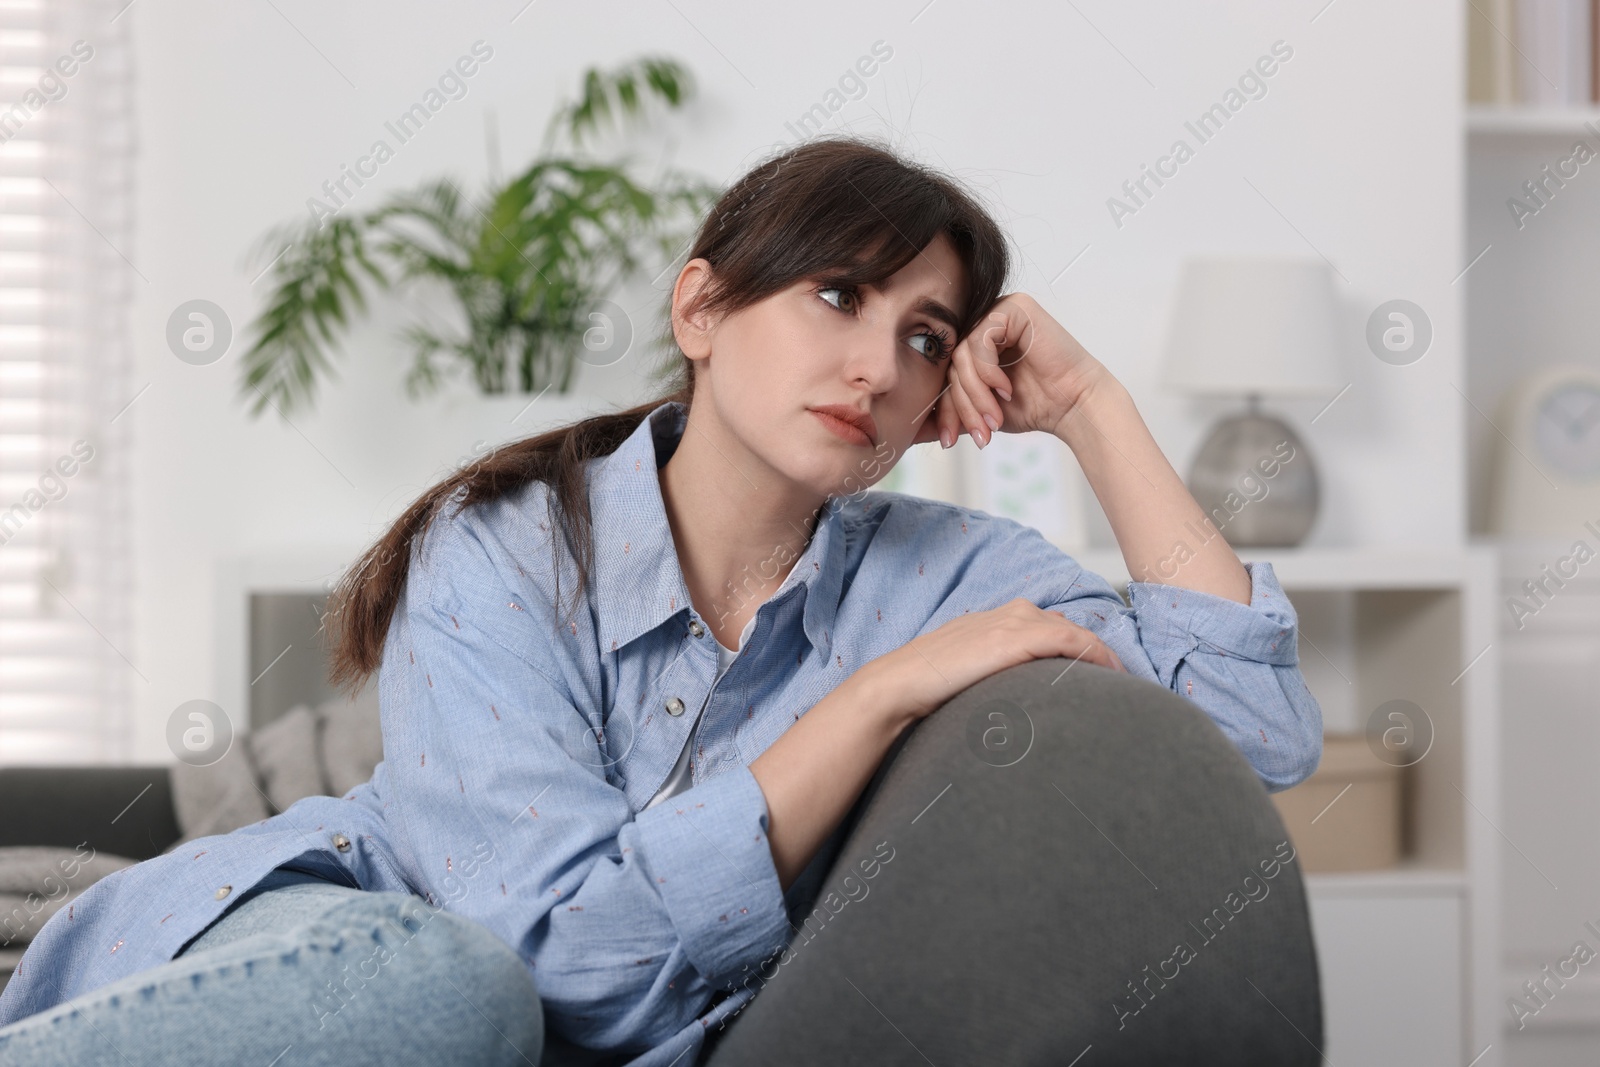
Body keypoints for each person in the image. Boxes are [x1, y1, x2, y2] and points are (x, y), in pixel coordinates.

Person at [0, 135, 1322, 1066]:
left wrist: (1094, 411)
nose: (876, 360)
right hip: (348, 936)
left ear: (940, 404)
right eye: (837, 294)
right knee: (448, 992)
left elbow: (1250, 735)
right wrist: (872, 700)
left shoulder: (941, 573)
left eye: (925, 336)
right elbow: (551, 971)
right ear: (701, 307)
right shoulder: (502, 549)